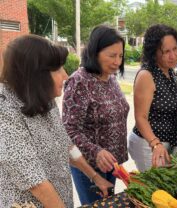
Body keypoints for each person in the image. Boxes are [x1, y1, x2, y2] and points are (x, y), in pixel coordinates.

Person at [0, 35, 112, 208]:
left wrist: (95, 177)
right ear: (36, 75)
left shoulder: (44, 97)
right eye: (58, 69)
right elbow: (35, 182)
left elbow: (66, 145)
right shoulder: (4, 110)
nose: (66, 75)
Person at [62, 25, 129, 205]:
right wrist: (96, 151)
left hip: (110, 164)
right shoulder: (79, 81)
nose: (117, 62)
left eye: (120, 56)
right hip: (89, 165)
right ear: (95, 52)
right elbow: (68, 129)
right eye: (112, 55)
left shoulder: (111, 79)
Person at [128, 24, 177, 172]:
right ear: (154, 53)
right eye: (166, 51)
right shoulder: (146, 75)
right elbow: (140, 117)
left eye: (175, 49)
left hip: (166, 143)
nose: (173, 56)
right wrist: (155, 144)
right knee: (156, 193)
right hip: (148, 144)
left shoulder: (169, 71)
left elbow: (169, 108)